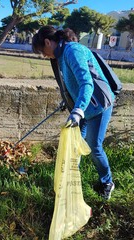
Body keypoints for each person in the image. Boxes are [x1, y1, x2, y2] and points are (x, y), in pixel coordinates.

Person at [32, 26, 115, 200]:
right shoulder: (61, 55)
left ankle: (107, 182)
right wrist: (69, 101)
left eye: (42, 51)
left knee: (94, 147)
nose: (44, 55)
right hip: (83, 108)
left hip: (99, 106)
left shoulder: (72, 50)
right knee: (73, 146)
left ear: (48, 42)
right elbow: (72, 82)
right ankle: (70, 182)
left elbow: (86, 83)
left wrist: (77, 109)